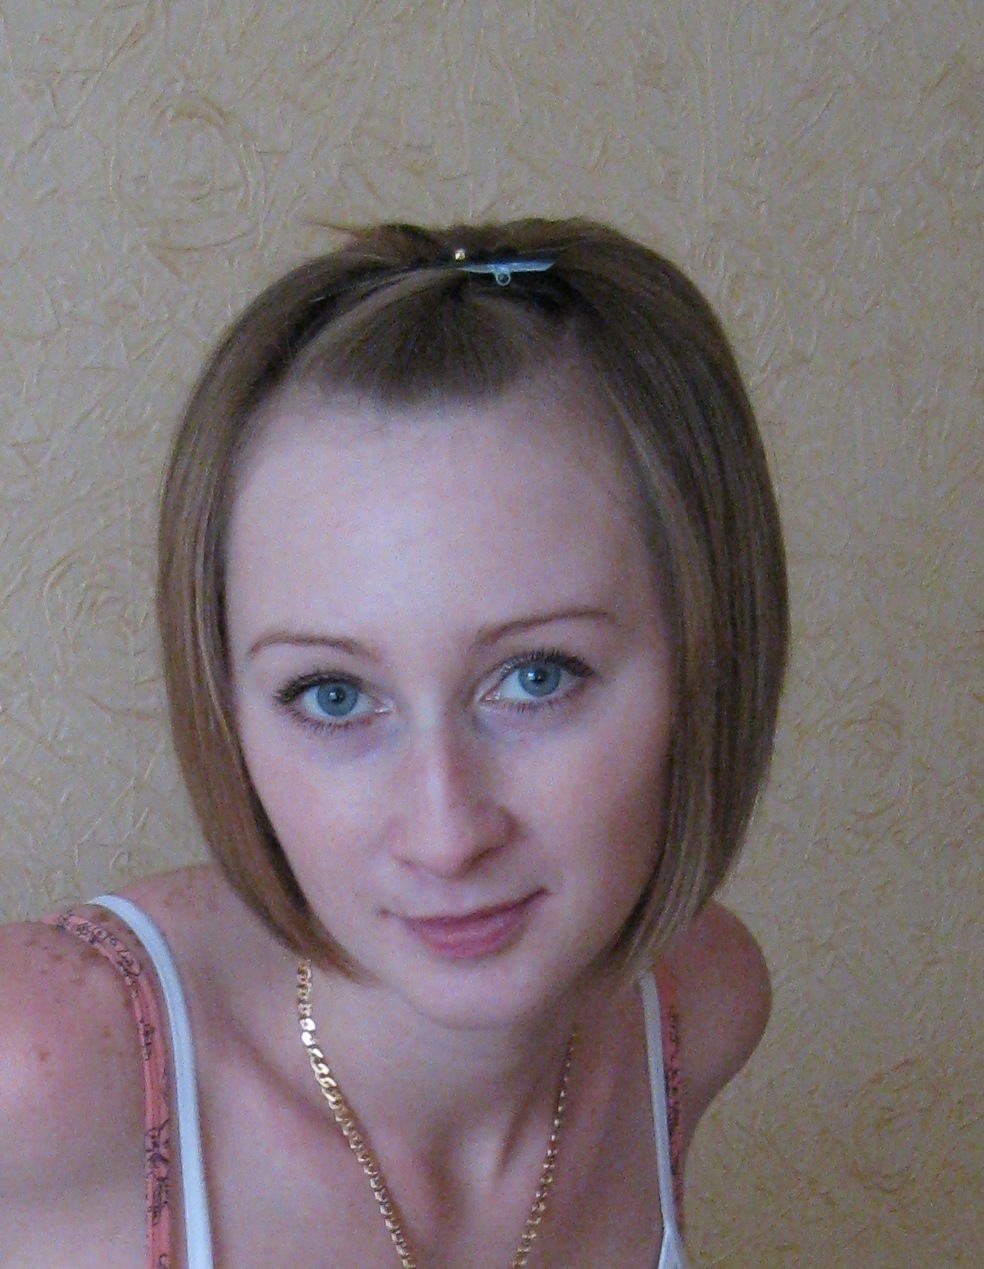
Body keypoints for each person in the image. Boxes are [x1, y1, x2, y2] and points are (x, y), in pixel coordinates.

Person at [0, 218, 788, 1268]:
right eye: (332, 695)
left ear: (709, 659)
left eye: (537, 676)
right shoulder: (44, 1069)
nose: (446, 832)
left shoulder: (699, 1006)